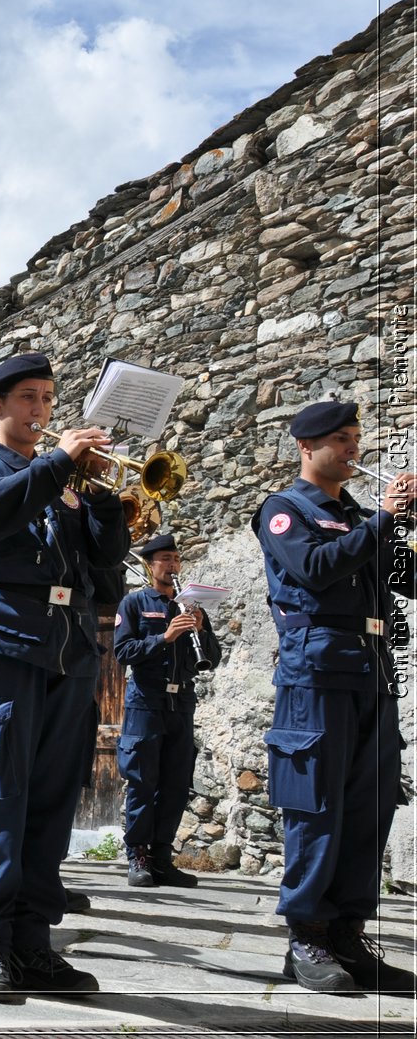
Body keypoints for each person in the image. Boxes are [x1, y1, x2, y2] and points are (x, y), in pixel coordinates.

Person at [0, 352, 128, 1000]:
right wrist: (57, 466)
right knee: (0, 803)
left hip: (68, 652)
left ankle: (31, 945)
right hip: (5, 646)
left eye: (49, 398)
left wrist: (106, 500)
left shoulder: (68, 481)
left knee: (50, 808)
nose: (41, 410)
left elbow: (106, 563)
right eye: (27, 397)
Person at [252, 399, 415, 993]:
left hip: (371, 673)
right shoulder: (284, 510)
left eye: (355, 439)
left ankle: (348, 933)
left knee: (369, 810)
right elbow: (314, 569)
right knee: (317, 808)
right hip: (316, 675)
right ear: (307, 448)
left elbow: (409, 582)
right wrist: (383, 523)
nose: (353, 451)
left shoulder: (365, 518)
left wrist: (408, 523)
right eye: (341, 441)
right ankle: (306, 939)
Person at [112, 533, 221, 889]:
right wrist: (164, 637)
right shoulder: (135, 603)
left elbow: (213, 659)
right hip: (146, 700)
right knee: (143, 782)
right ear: (150, 564)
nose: (172, 565)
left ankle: (161, 856)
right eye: (165, 559)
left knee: (175, 784)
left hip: (181, 702)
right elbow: (123, 651)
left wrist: (201, 631)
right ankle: (138, 855)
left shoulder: (191, 606)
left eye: (176, 558)